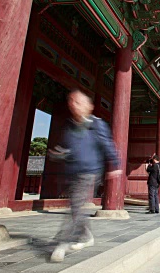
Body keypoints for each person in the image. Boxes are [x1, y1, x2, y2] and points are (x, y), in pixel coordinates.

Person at [49, 89, 121, 263]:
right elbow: (68, 147)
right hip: (73, 169)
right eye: (72, 102)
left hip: (90, 170)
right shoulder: (69, 126)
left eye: (78, 102)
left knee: (75, 205)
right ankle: (86, 236)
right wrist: (60, 154)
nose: (74, 105)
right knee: (77, 207)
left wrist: (115, 165)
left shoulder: (97, 124)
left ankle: (62, 243)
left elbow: (107, 144)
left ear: (89, 106)